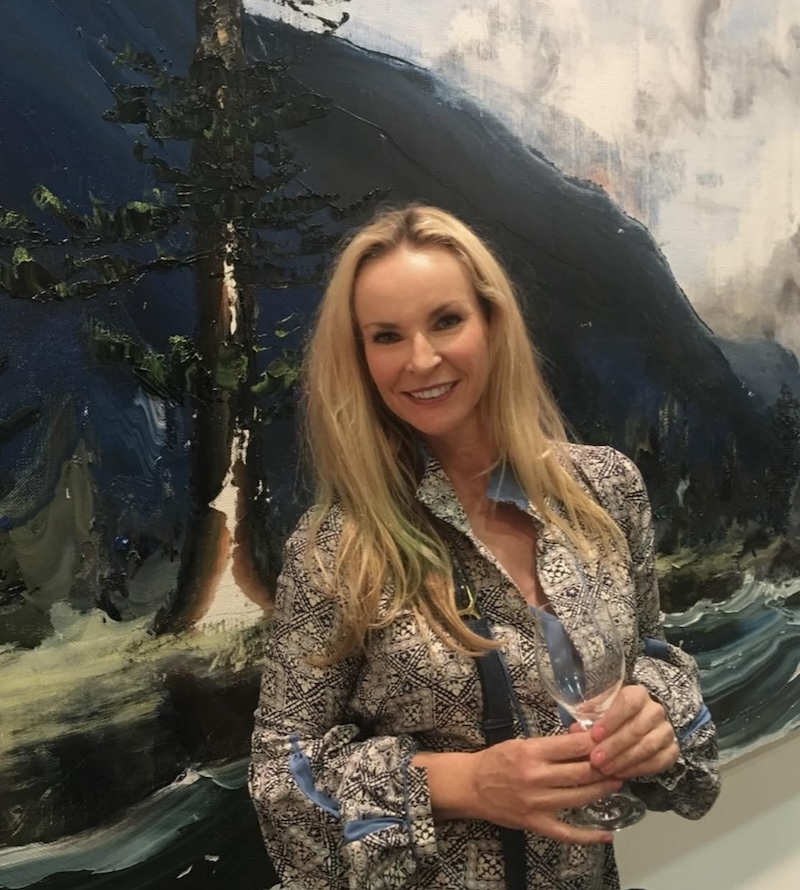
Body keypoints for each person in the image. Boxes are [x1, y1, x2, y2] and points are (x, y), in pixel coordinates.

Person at [249, 204, 720, 889]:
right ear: (360, 357)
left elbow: (654, 653)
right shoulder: (335, 548)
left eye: (446, 320)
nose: (420, 359)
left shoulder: (606, 487)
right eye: (386, 336)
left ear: (493, 323)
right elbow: (280, 776)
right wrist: (466, 781)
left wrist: (655, 708)